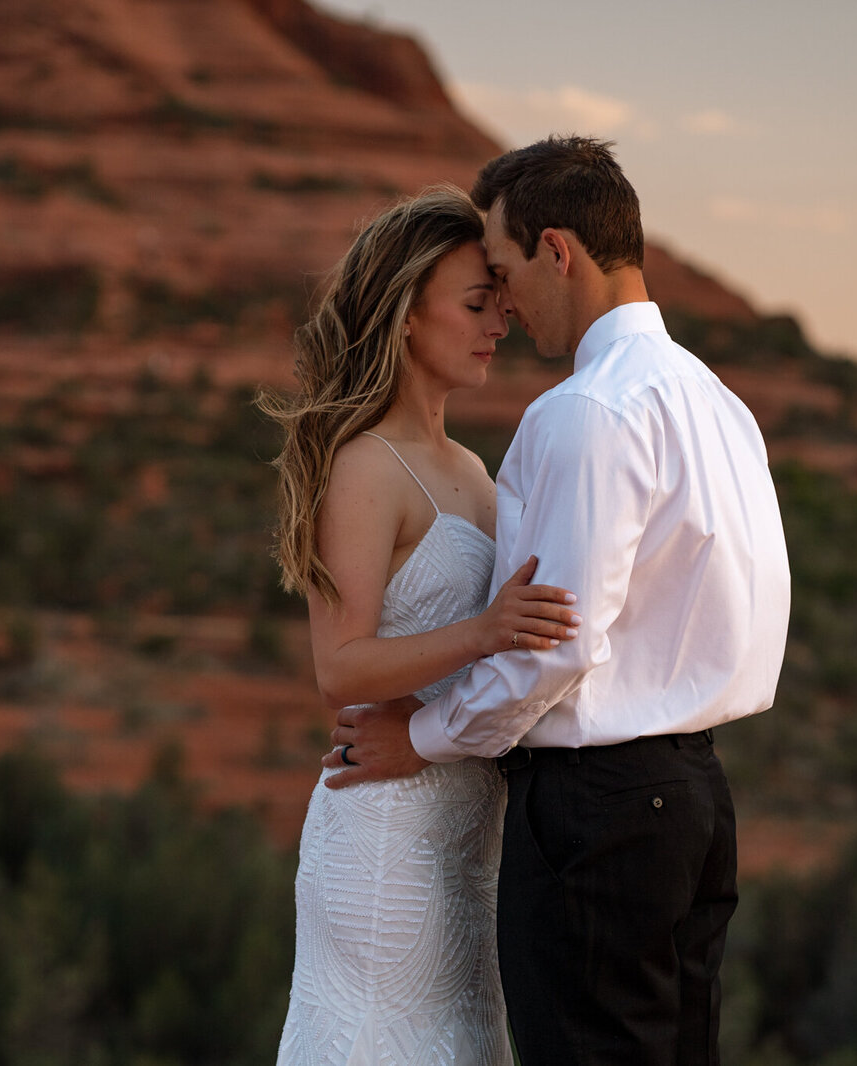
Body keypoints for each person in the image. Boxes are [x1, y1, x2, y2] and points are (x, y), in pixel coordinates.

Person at [323, 137, 792, 1066]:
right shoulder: (717, 402)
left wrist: (415, 738)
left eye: (503, 271)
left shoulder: (586, 410)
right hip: (695, 800)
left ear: (558, 251)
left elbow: (555, 647)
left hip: (598, 815)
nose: (506, 304)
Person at [262, 186, 584, 1066]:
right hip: (386, 838)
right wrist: (486, 632)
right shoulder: (367, 465)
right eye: (476, 305)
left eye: (499, 302)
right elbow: (342, 668)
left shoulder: (477, 469)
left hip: (469, 839)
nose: (499, 323)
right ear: (407, 316)